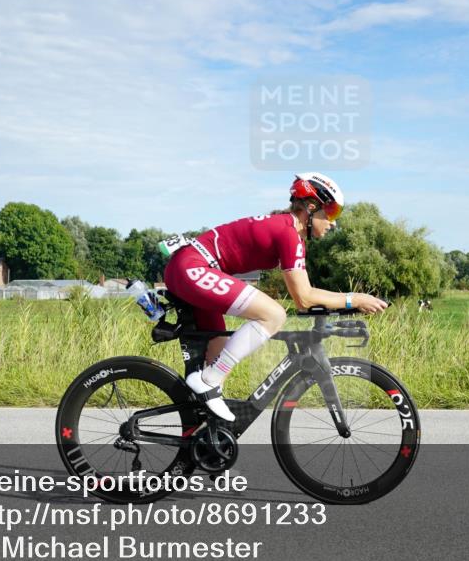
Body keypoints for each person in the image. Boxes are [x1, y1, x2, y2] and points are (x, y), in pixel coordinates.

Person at [162, 172, 388, 421]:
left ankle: (202, 430)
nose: (333, 223)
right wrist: (354, 299)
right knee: (273, 314)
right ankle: (209, 379)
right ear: (311, 208)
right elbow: (304, 298)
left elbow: (306, 293)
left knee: (217, 349)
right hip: (192, 267)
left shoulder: (291, 233)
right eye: (331, 213)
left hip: (196, 267)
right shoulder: (288, 232)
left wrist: (344, 302)